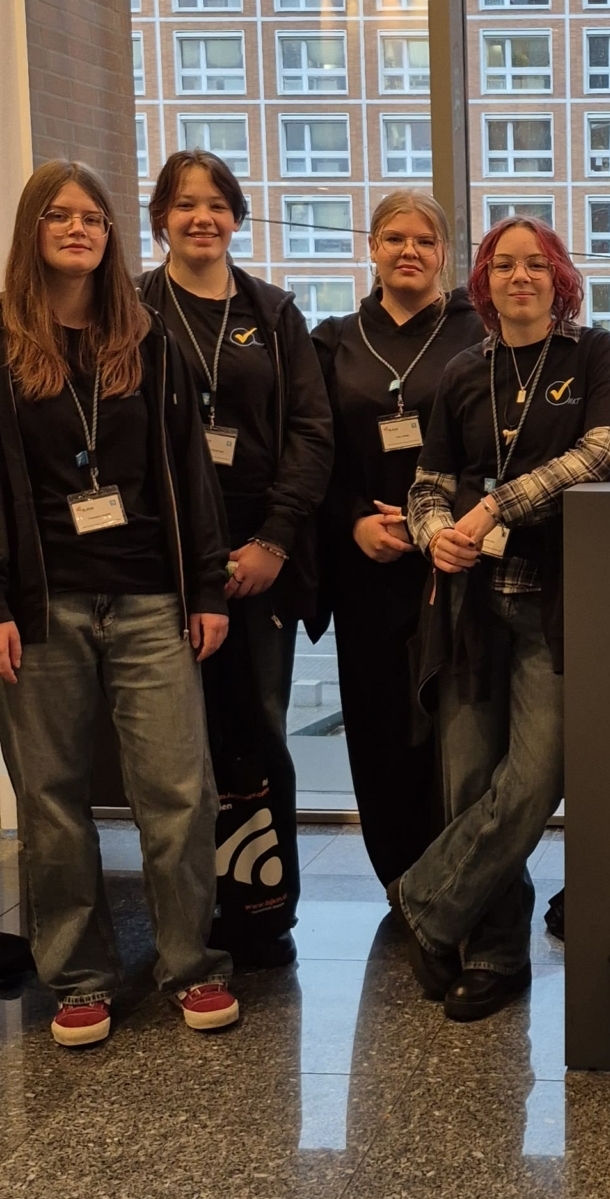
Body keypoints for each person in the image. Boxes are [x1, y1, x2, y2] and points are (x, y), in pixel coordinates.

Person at [0, 160, 237, 1045]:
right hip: (44, 604)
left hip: (148, 597)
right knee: (54, 799)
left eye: (93, 218)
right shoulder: (3, 343)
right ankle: (80, 979)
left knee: (179, 790)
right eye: (59, 216)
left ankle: (189, 963)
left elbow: (187, 477)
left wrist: (205, 586)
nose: (78, 229)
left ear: (110, 236)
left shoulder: (148, 341)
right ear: (33, 230)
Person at [389, 216, 610, 1021]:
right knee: (469, 784)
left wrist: (497, 501)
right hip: (469, 610)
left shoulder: (592, 354)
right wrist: (434, 537)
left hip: (555, 607)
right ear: (485, 282)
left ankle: (425, 902)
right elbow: (426, 485)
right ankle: (494, 955)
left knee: (532, 782)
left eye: (536, 264)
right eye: (504, 265)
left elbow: (605, 450)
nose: (520, 276)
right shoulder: (464, 371)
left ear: (559, 276)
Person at [139, 150, 333, 969]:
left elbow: (312, 434)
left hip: (258, 559)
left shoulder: (274, 312)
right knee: (177, 746)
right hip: (162, 559)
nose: (201, 218)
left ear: (237, 216)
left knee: (257, 726)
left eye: (216, 204)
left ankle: (262, 903)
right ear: (161, 220)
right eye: (185, 205)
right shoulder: (132, 309)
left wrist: (275, 543)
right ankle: (186, 911)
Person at [312, 192, 484, 886]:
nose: (407, 250)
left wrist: (447, 520)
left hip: (458, 559)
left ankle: (460, 881)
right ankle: (400, 882)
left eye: (423, 239)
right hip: (368, 563)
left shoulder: (482, 333)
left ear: (445, 253)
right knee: (381, 727)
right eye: (393, 238)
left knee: (461, 732)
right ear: (372, 249)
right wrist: (353, 518)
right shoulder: (333, 339)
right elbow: (310, 451)